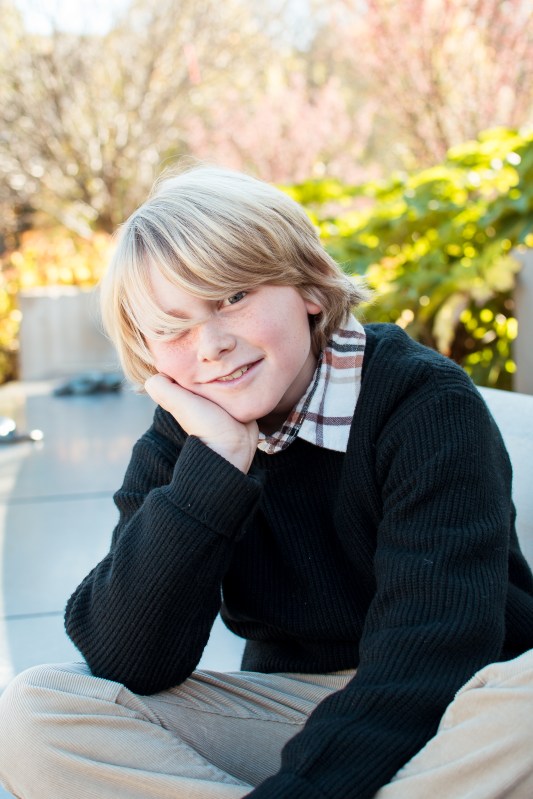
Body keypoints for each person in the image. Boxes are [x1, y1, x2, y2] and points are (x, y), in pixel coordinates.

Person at [1, 165, 533, 799]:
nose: (211, 345)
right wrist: (216, 465)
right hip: (295, 709)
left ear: (309, 288)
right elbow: (128, 658)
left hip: (457, 705)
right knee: (34, 714)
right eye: (172, 327)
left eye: (233, 297)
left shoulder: (422, 404)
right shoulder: (189, 432)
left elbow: (433, 651)